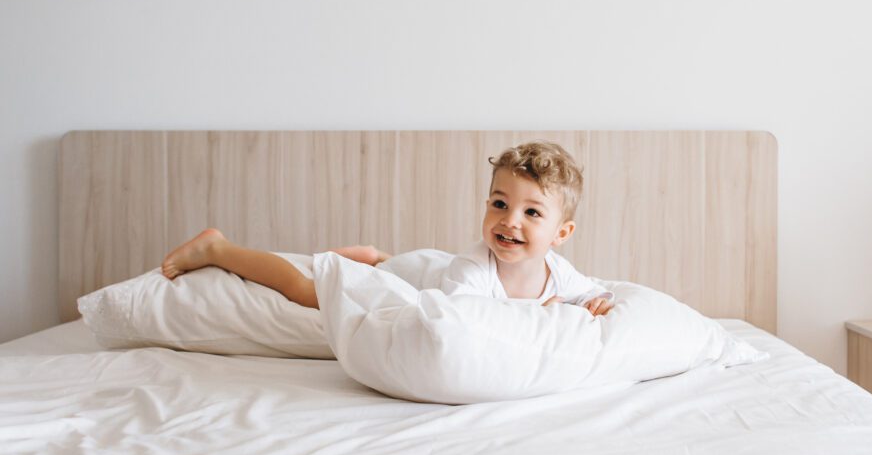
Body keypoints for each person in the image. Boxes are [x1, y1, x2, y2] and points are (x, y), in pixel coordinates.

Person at [160, 141, 614, 316]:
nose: (509, 221)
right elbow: (465, 320)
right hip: (414, 277)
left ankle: (376, 257)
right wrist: (547, 313)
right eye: (499, 203)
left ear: (561, 234)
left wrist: (589, 305)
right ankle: (218, 249)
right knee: (305, 291)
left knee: (399, 264)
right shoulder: (473, 270)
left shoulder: (558, 272)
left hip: (423, 266)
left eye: (532, 213)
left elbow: (597, 295)